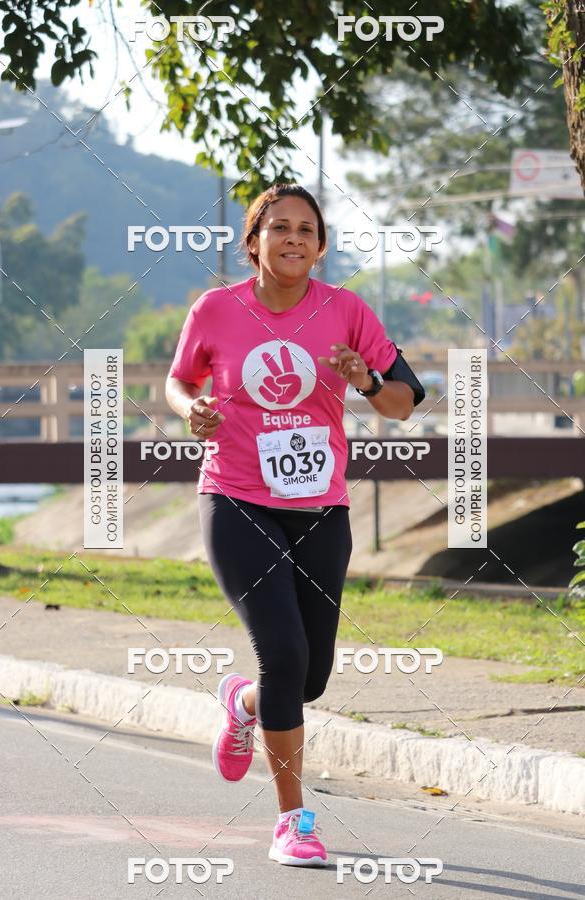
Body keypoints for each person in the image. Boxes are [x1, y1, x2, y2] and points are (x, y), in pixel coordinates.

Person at [165, 183, 420, 868]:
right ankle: (292, 821)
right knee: (283, 653)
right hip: (236, 496)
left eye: (308, 229)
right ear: (254, 241)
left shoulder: (347, 311)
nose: (295, 239)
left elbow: (401, 404)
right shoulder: (216, 310)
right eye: (280, 227)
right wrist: (190, 410)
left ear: (321, 246)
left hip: (318, 506)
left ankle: (243, 703)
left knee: (307, 678)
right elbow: (179, 380)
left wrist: (364, 379)